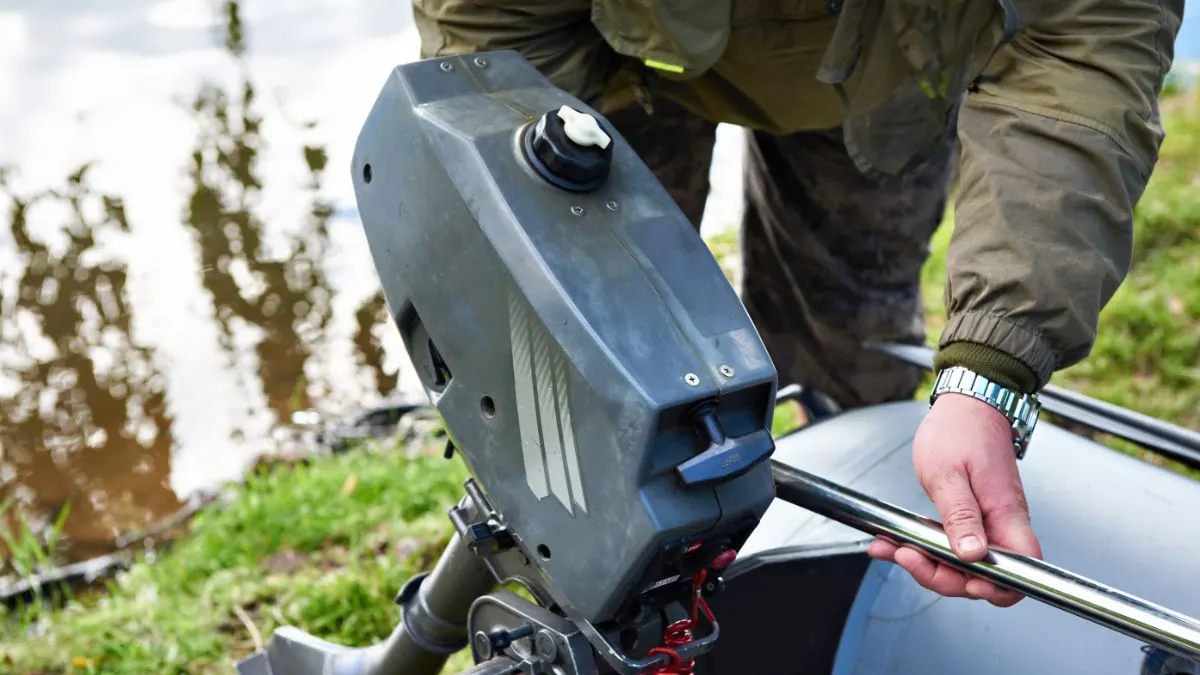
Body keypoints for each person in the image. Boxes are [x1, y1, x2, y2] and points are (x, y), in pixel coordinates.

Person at [411, 0, 1183, 605]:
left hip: (892, 56)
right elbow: (489, 46)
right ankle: (601, 622)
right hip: (613, 51)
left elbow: (1086, 43)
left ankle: (824, 569)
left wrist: (993, 369)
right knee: (588, 371)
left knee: (850, 340)